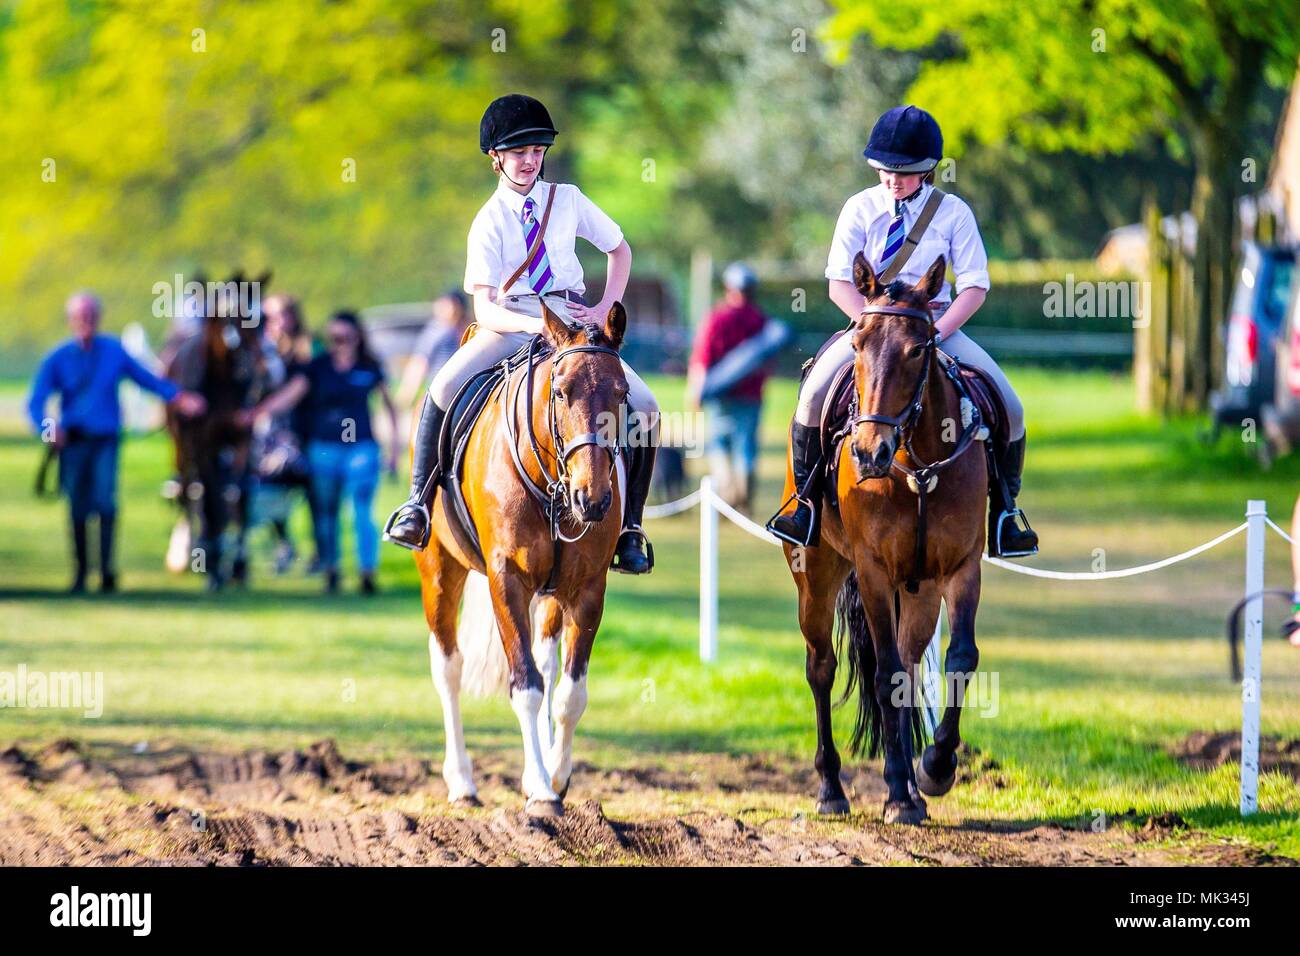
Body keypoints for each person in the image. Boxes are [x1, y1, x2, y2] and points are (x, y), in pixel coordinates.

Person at [383, 93, 660, 574]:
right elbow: (484, 306)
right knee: (443, 387)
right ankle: (418, 504)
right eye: (519, 153)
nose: (531, 161)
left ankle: (631, 528)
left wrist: (602, 306)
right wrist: (535, 323)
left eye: (537, 151)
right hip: (512, 321)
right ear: (496, 158)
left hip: (573, 323)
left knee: (648, 406)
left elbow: (620, 250)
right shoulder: (488, 221)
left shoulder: (567, 200)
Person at [766, 105, 1038, 558]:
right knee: (813, 396)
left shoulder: (953, 213)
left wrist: (935, 333)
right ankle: (805, 504)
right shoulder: (859, 207)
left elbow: (974, 286)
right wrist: (869, 327)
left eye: (905, 173)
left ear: (929, 169)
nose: (893, 180)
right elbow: (838, 283)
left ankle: (1005, 515)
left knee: (1011, 404)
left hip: (936, 326)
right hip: (871, 330)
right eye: (886, 170)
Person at [27, 292, 206, 592]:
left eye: (91, 316)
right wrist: (49, 429)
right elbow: (36, 403)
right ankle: (82, 572)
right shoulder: (58, 358)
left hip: (105, 439)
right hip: (74, 441)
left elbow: (147, 379)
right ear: (71, 320)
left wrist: (179, 397)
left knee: (105, 502)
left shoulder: (113, 351)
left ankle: (107, 571)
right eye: (81, 316)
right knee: (78, 506)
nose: (86, 322)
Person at [250, 310, 401, 594]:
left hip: (361, 449)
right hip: (324, 449)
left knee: (361, 511)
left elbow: (390, 407)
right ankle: (331, 570)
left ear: (357, 338)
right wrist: (255, 413)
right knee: (326, 513)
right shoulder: (318, 367)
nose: (338, 343)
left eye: (344, 337)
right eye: (333, 338)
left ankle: (367, 572)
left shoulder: (369, 367)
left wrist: (394, 451)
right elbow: (289, 395)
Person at [686, 262, 770, 514]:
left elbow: (702, 357)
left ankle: (727, 497)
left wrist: (695, 391)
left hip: (719, 395)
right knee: (746, 447)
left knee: (718, 445)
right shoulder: (760, 319)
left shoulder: (717, 317)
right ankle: (744, 496)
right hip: (752, 396)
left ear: (728, 287)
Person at [255, 293, 316, 574]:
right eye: (270, 316)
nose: (276, 322)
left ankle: (320, 553)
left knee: (312, 491)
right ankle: (284, 545)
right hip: (268, 435)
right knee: (268, 487)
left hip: (301, 430)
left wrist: (258, 412)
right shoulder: (259, 349)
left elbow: (299, 387)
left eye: (281, 314)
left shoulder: (305, 349)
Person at [395, 290, 472, 409]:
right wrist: (408, 392)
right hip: (442, 389)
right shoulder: (436, 332)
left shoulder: (469, 329)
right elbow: (420, 363)